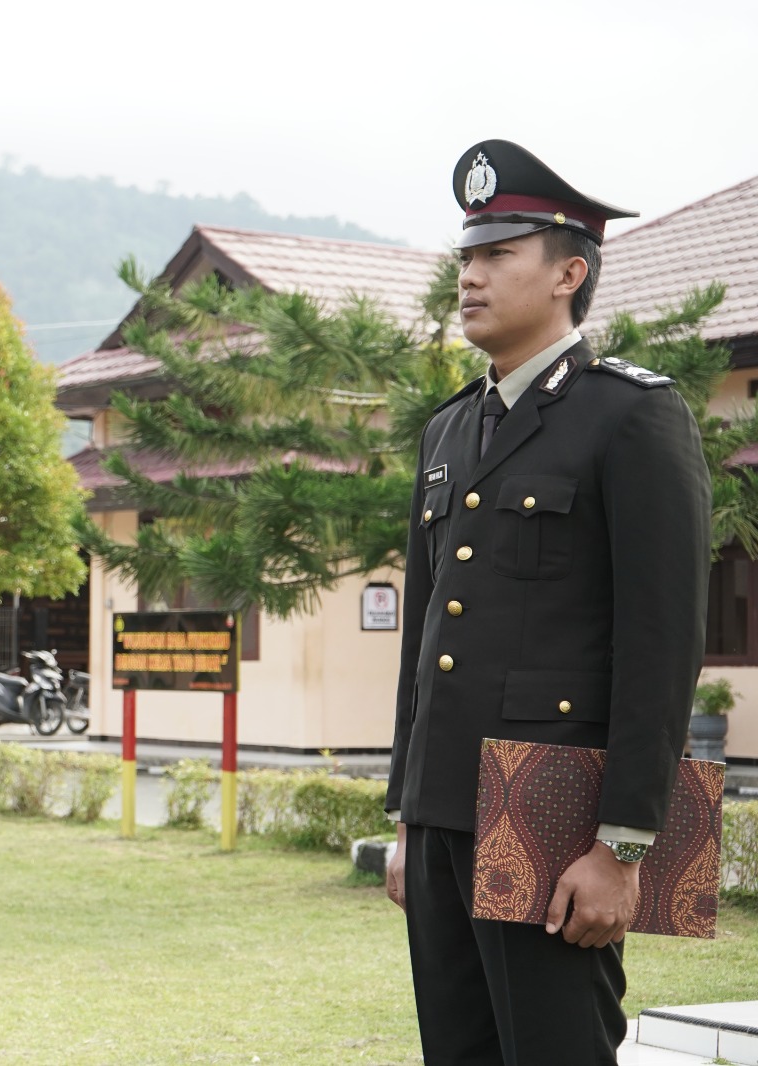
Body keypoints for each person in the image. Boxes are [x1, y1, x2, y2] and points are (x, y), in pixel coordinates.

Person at [384, 140, 711, 1064]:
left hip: (555, 815)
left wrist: (624, 846)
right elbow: (425, 641)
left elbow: (663, 645)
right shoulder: (449, 427)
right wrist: (409, 818)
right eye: (466, 257)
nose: (471, 277)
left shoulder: (631, 415)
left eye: (498, 255)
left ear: (569, 271)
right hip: (446, 812)